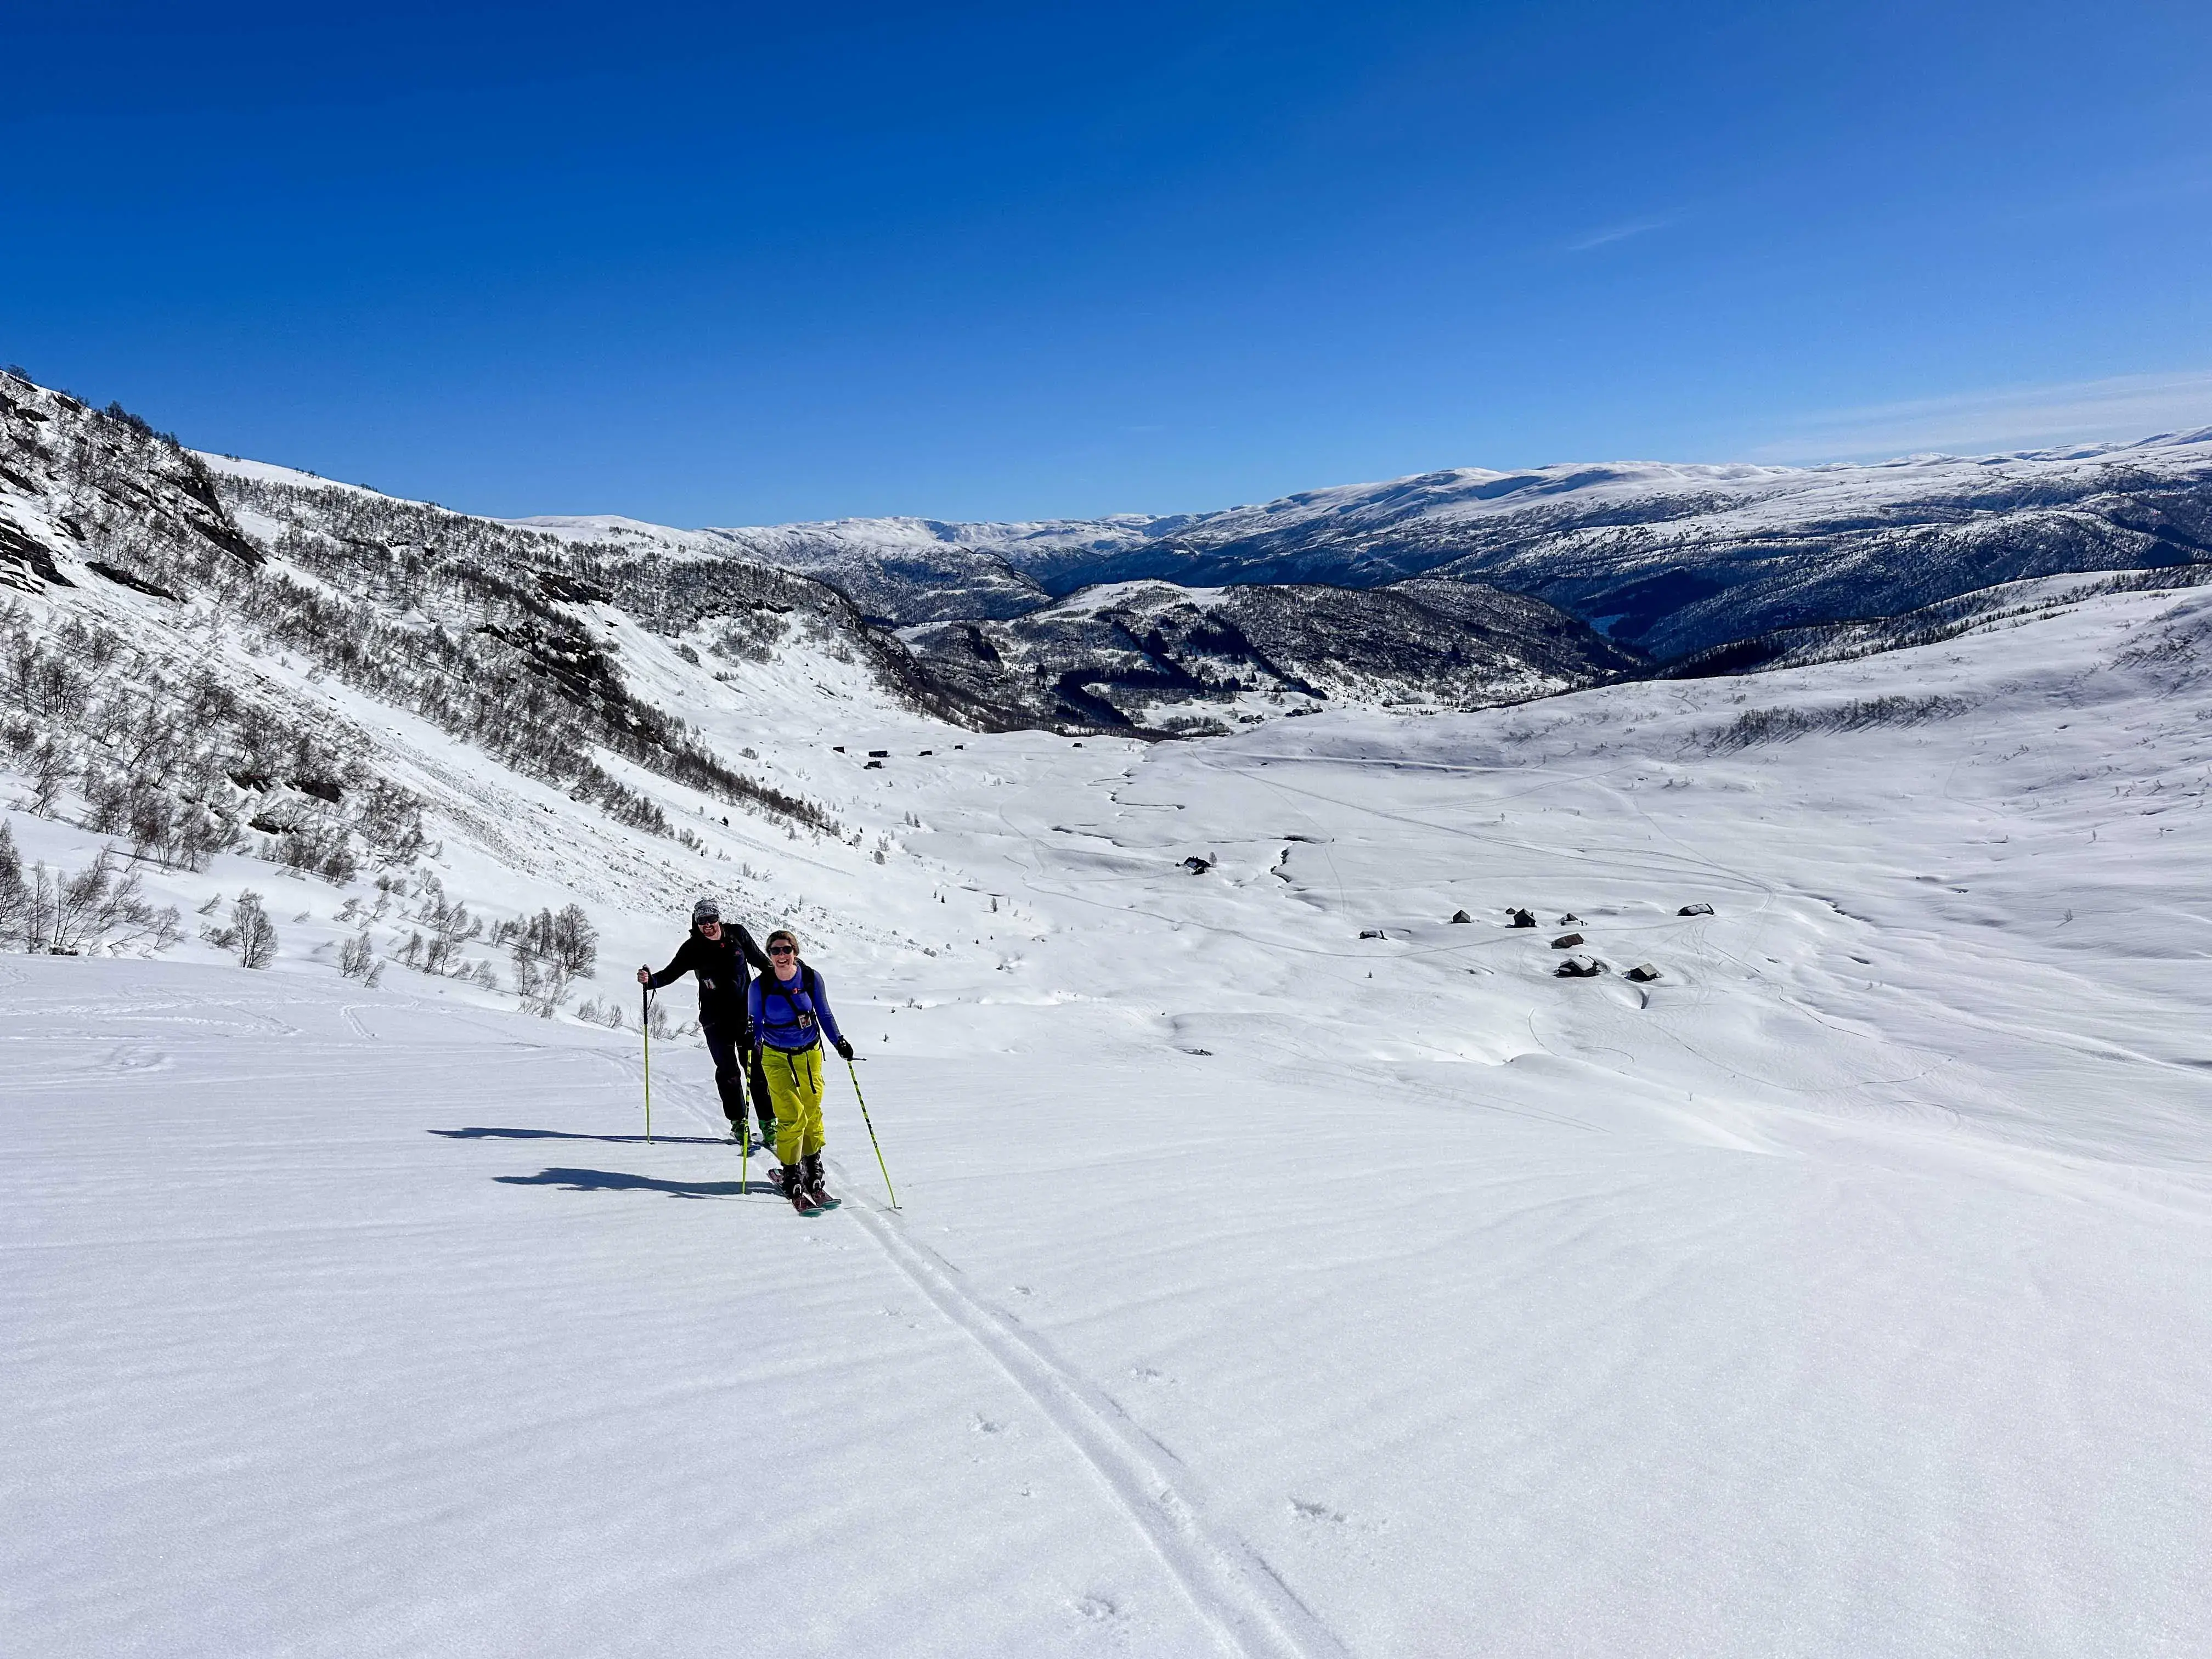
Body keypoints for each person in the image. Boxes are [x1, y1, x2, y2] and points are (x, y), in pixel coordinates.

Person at [636, 899, 776, 1148]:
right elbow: (670, 973)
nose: (708, 925)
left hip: (747, 1017)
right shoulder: (693, 948)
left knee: (757, 1071)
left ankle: (768, 1124)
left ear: (718, 918)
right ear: (697, 923)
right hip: (715, 1020)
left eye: (711, 919)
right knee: (729, 1073)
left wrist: (785, 979)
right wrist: (650, 981)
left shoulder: (738, 934)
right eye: (702, 921)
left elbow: (761, 962)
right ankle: (738, 1123)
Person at [748, 928, 855, 1215]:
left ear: (795, 951)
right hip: (775, 1056)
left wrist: (840, 1042)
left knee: (812, 1110)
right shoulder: (759, 987)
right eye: (775, 951)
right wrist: (751, 1035)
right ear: (769, 955)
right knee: (791, 1113)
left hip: (810, 1053)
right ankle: (792, 1171)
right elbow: (755, 1023)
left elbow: (825, 1013)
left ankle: (812, 1164)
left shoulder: (810, 978)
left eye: (786, 950)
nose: (781, 956)